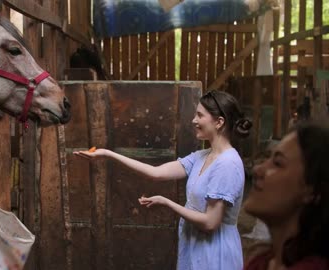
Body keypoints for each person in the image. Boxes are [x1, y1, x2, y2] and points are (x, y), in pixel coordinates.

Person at [74, 90, 252, 269]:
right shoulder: (202, 156)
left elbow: (210, 223)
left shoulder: (227, 164)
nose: (194, 120)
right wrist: (107, 154)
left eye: (200, 115)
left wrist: (167, 203)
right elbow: (155, 173)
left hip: (215, 251)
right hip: (195, 245)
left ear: (219, 122)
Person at [243, 122, 329, 270]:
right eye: (267, 159)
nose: (258, 169)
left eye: (277, 163)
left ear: (311, 191)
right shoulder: (260, 263)